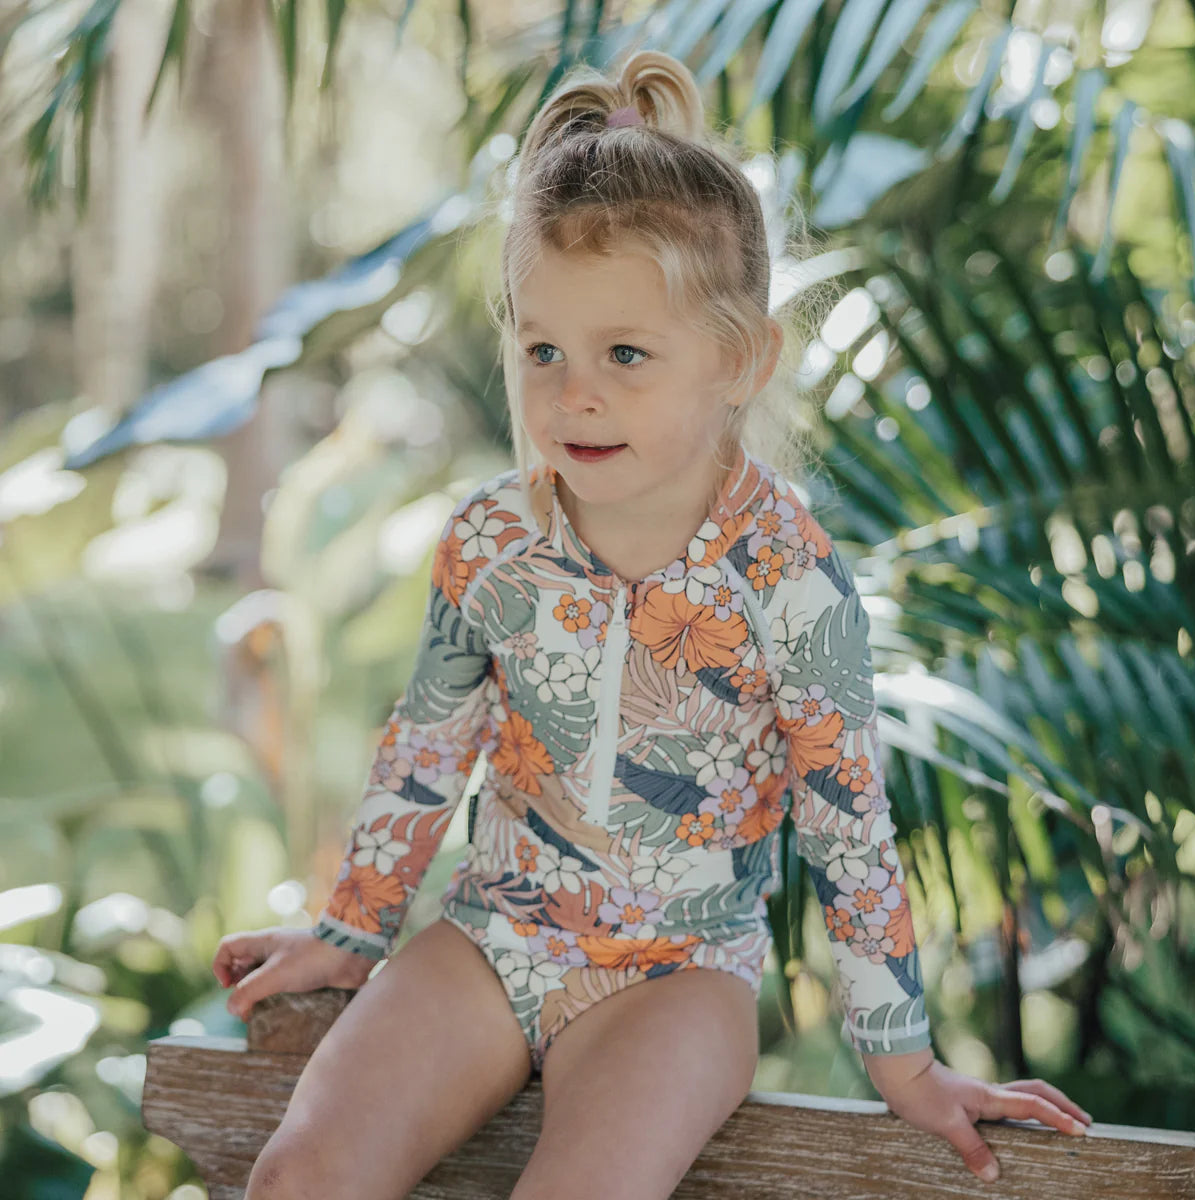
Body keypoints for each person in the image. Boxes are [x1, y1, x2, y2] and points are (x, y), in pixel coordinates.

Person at [211, 47, 1092, 1200]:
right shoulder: (492, 542)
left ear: (741, 359)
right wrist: (350, 933)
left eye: (625, 353)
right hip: (490, 939)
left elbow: (848, 824)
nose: (574, 392)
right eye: (544, 350)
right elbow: (428, 744)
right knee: (299, 1177)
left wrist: (904, 1061)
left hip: (678, 981)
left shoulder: (788, 577)